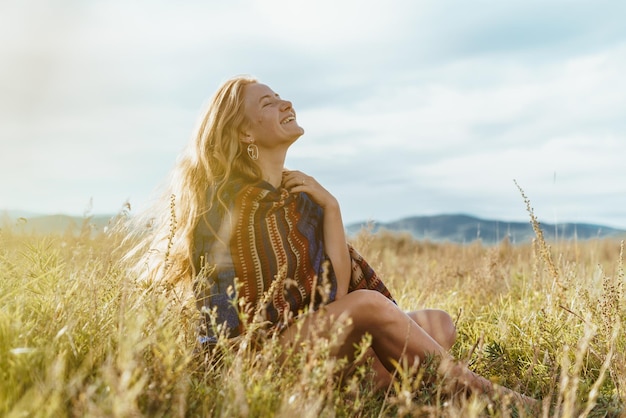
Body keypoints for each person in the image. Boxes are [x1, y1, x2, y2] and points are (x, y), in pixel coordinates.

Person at [133, 75, 539, 410]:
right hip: (255, 359)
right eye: (268, 104)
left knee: (439, 323)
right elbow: (219, 328)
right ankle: (491, 397)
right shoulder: (222, 206)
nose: (286, 102)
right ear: (244, 132)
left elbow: (334, 296)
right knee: (372, 310)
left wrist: (332, 208)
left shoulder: (304, 202)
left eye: (279, 97)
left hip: (314, 348)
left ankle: (377, 394)